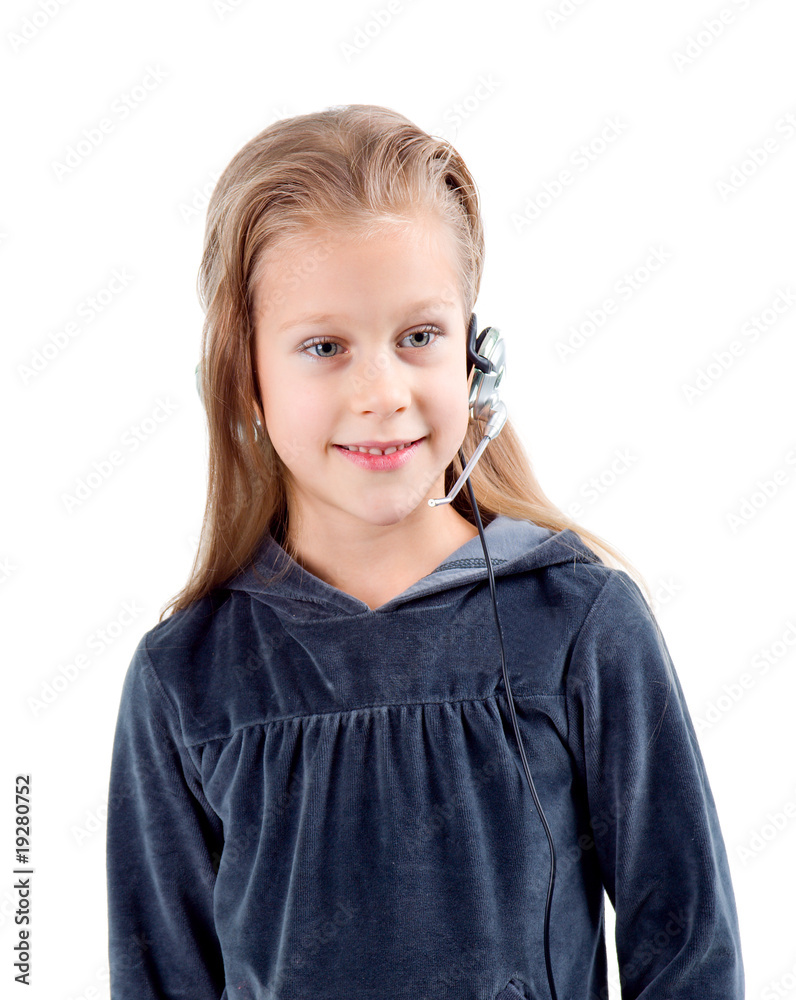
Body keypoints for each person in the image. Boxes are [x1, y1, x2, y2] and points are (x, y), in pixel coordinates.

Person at [105, 104, 744, 1000]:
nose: (382, 393)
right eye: (324, 347)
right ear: (244, 373)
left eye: (419, 337)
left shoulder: (583, 627)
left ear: (476, 356)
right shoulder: (186, 678)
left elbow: (689, 957)